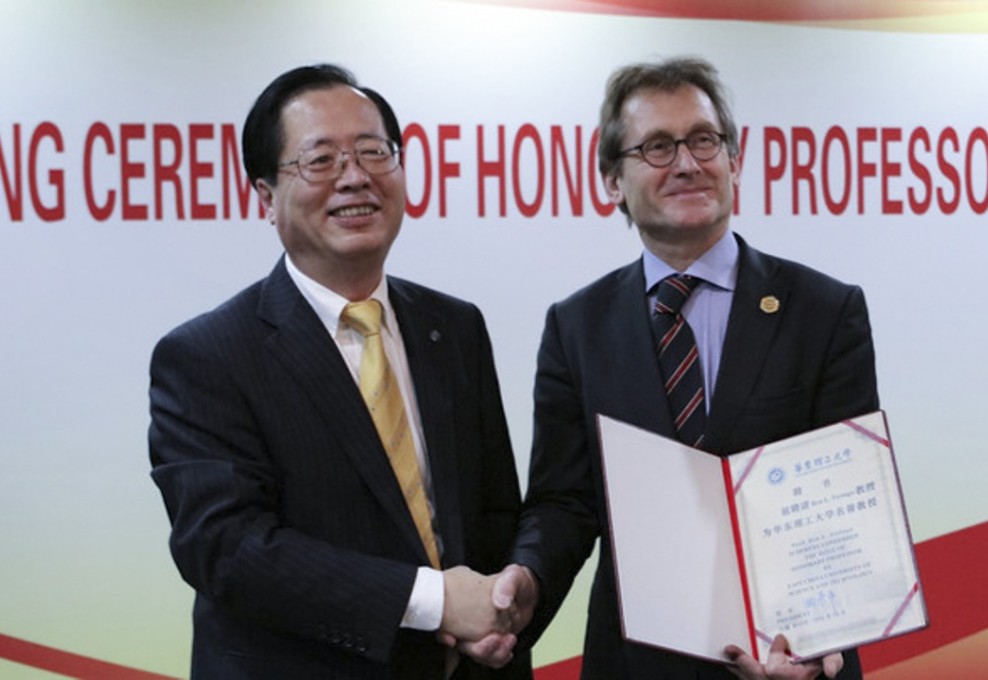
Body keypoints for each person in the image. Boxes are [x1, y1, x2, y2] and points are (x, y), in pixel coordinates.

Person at [469, 57, 878, 679]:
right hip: (635, 662)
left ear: (735, 161)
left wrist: (811, 646)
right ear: (612, 179)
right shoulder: (576, 327)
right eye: (657, 147)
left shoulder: (823, 311)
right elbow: (565, 502)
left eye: (704, 140)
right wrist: (525, 576)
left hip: (790, 658)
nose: (686, 163)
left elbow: (846, 499)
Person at [148, 64, 530, 679]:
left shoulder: (454, 327)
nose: (355, 178)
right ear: (265, 196)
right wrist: (434, 603)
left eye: (374, 152)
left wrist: (498, 611)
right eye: (320, 160)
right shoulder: (207, 356)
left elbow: (490, 518)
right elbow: (228, 550)